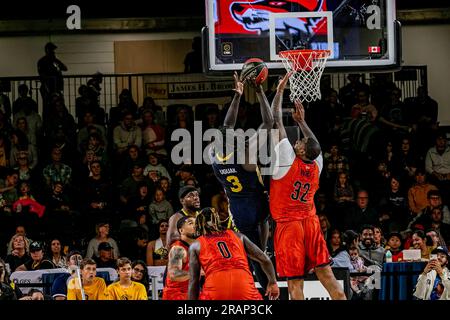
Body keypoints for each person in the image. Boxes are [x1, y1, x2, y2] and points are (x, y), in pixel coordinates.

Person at [268, 73, 346, 300]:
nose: (297, 141)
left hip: (289, 226)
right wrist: (301, 122)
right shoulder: (316, 165)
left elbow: (275, 121)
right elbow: (316, 147)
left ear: (301, 151)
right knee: (327, 276)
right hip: (311, 223)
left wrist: (280, 90)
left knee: (295, 284)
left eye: (300, 142)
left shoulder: (286, 160)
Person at [207, 71, 273, 289]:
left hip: (238, 206)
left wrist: (237, 96)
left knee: (256, 257)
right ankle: (269, 287)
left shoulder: (215, 158)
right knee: (262, 250)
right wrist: (260, 91)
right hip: (257, 203)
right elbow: (268, 121)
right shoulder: (244, 154)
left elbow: (227, 126)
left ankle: (260, 289)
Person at [188, 207, 279, 300]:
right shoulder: (238, 236)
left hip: (216, 287)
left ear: (198, 223)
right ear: (218, 219)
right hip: (243, 285)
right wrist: (272, 282)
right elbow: (264, 259)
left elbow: (193, 281)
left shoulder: (196, 245)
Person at [162, 216, 196, 300]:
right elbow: (174, 274)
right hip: (176, 295)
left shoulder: (197, 248)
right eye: (191, 223)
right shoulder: (178, 249)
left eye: (197, 223)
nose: (196, 225)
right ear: (181, 230)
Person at [37, 42, 67, 119]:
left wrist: (56, 61)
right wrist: (47, 87)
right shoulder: (43, 61)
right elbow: (42, 75)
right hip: (47, 87)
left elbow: (65, 68)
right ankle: (47, 122)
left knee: (59, 105)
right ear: (47, 50)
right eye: (52, 50)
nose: (53, 52)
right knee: (48, 106)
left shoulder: (55, 60)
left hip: (57, 87)